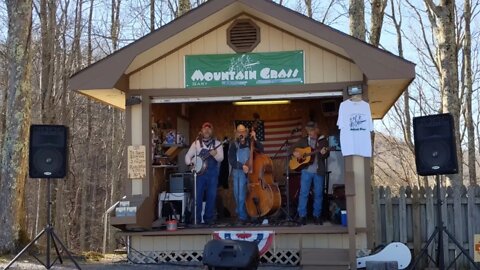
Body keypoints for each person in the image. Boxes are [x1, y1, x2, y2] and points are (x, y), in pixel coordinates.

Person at [185, 122, 224, 225]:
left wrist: (215, 154)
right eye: (205, 128)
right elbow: (187, 156)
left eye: (209, 129)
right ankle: (195, 219)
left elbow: (221, 158)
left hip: (212, 174)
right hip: (199, 175)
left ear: (212, 131)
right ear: (201, 131)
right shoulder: (196, 143)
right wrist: (190, 165)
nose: (207, 130)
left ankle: (209, 219)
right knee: (197, 196)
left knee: (211, 196)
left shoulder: (217, 144)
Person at [291, 121, 329, 225]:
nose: (310, 133)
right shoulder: (303, 141)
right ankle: (302, 216)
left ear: (316, 130)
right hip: (306, 171)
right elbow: (291, 148)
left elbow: (326, 155)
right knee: (303, 193)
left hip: (318, 171)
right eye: (308, 131)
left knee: (318, 194)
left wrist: (324, 153)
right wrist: (295, 152)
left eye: (311, 130)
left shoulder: (322, 141)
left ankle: (317, 216)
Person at [228, 124, 264, 225]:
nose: (241, 133)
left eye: (243, 131)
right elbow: (232, 160)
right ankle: (242, 216)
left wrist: (255, 139)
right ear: (236, 133)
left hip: (252, 173)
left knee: (253, 193)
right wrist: (242, 166)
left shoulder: (250, 142)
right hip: (239, 171)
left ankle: (254, 214)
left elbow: (261, 150)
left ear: (246, 132)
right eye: (239, 132)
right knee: (239, 195)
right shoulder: (234, 144)